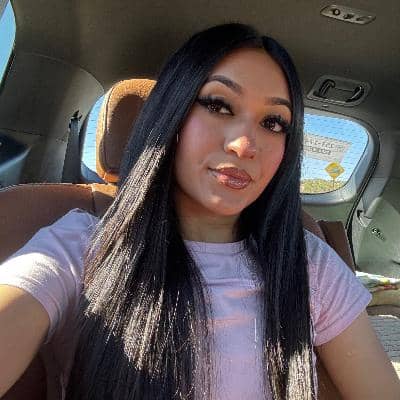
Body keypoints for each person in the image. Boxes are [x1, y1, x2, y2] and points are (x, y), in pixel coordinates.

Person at [0, 23, 399, 400]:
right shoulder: (80, 247)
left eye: (274, 122)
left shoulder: (309, 264)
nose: (245, 145)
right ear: (171, 118)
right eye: (219, 105)